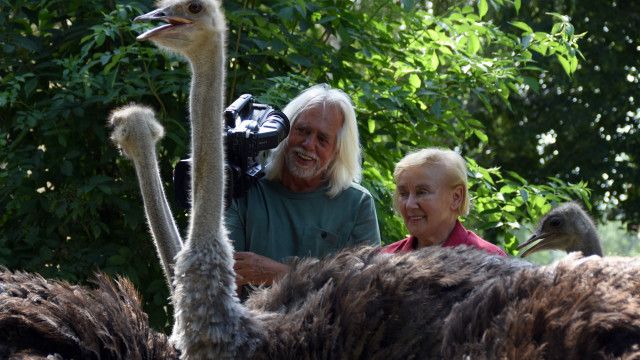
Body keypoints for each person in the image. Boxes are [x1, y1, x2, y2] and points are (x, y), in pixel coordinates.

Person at [226, 84, 381, 289]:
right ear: (283, 132)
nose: (308, 144)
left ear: (337, 150)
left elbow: (368, 289)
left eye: (322, 139)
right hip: (249, 320)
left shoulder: (356, 203)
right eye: (302, 130)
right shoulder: (247, 189)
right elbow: (225, 277)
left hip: (324, 321)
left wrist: (282, 274)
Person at [382, 148, 506, 256]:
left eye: (422, 192)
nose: (409, 204)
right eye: (403, 194)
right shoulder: (385, 261)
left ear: (456, 197)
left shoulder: (489, 261)